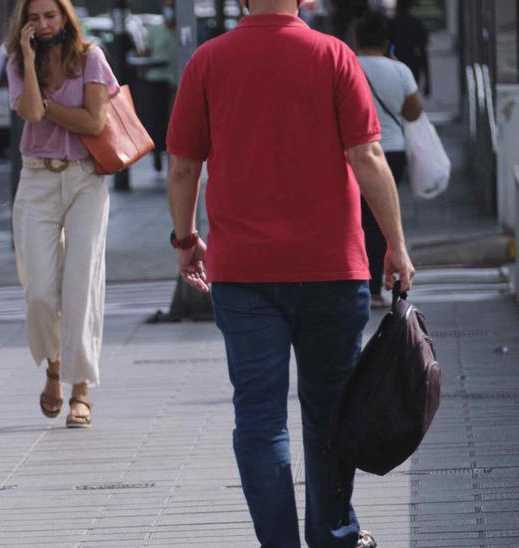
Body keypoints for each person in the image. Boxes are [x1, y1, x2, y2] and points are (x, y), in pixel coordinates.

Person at [165, 1, 415, 546]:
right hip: (332, 267)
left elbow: (183, 164)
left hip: (244, 271)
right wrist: (394, 244)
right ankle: (332, 534)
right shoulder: (334, 56)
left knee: (259, 416)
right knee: (329, 410)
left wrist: (185, 240)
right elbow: (368, 155)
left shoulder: (208, 61)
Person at [5, 0, 118, 428]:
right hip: (37, 179)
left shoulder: (90, 57)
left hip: (85, 178)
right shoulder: (18, 61)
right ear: (24, 24)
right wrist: (30, 62)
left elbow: (93, 122)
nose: (44, 24)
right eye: (34, 18)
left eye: (51, 15)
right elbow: (31, 112)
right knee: (39, 290)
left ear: (65, 17)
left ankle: (80, 390)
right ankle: (53, 366)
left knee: (81, 285)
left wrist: (50, 109)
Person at [356, 11, 423, 309]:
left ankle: (363, 284)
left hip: (355, 153)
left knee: (357, 219)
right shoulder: (400, 71)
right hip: (392, 153)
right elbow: (413, 112)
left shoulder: (349, 67)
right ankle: (378, 285)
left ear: (356, 40)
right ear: (386, 41)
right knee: (382, 220)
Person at [139, 0, 179, 173]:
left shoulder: (185, 30)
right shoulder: (155, 30)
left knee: (175, 121)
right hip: (157, 82)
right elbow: (145, 53)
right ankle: (157, 154)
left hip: (177, 82)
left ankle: (172, 155)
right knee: (157, 120)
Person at [390, 0, 431, 96]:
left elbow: (386, 50)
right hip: (413, 65)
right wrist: (427, 80)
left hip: (396, 65)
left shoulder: (392, 25)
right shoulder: (416, 24)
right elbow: (423, 53)